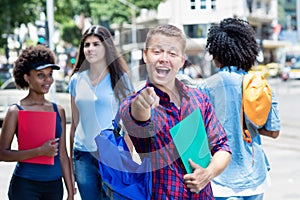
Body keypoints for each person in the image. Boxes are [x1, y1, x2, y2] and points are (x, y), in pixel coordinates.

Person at [119, 24, 232, 199]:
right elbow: (138, 115)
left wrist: (208, 173)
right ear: (145, 55)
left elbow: (222, 146)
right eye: (157, 51)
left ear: (182, 60)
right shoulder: (133, 103)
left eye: (172, 53)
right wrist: (143, 103)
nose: (164, 58)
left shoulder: (199, 99)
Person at [197, 18, 280, 200]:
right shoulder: (260, 85)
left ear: (216, 54)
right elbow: (274, 132)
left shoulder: (204, 88)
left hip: (219, 181)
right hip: (255, 177)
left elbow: (195, 135)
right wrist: (247, 126)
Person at [68, 25, 134, 200]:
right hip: (82, 155)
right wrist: (70, 164)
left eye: (96, 44)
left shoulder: (121, 79)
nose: (90, 49)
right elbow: (74, 124)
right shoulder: (76, 80)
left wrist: (127, 159)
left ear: (107, 47)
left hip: (112, 154)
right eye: (87, 45)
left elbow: (130, 125)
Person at [0, 45, 74, 200]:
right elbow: (2, 153)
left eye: (50, 74)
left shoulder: (58, 110)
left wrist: (71, 192)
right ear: (27, 77)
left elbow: (62, 155)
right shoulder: (16, 111)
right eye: (41, 75)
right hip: (25, 186)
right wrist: (39, 151)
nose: (48, 80)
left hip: (54, 187)